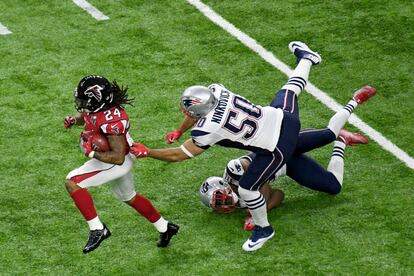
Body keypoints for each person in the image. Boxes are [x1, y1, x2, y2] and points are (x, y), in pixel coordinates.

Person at [131, 41, 374, 251]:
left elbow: (179, 154)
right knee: (291, 89)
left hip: (276, 147)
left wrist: (149, 152)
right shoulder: (216, 90)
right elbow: (199, 112)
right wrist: (180, 130)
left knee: (247, 190)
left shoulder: (207, 130)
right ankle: (308, 59)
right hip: (282, 119)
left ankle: (263, 229)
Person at [63, 75, 179, 254]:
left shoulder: (113, 121)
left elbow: (117, 157)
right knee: (128, 196)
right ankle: (165, 227)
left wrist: (91, 152)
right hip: (118, 156)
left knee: (72, 182)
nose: (82, 104)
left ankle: (98, 229)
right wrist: (74, 120)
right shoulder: (97, 106)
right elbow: (87, 116)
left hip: (118, 160)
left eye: (85, 100)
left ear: (97, 99)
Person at [199, 125, 371, 231]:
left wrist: (258, 214)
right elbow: (279, 194)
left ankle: (351, 105)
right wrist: (262, 209)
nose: (225, 203)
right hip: (289, 165)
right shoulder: (239, 203)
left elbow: (262, 179)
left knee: (326, 135)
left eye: (221, 197)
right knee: (334, 187)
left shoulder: (234, 170)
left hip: (281, 149)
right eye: (219, 204)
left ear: (224, 184)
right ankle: (342, 140)